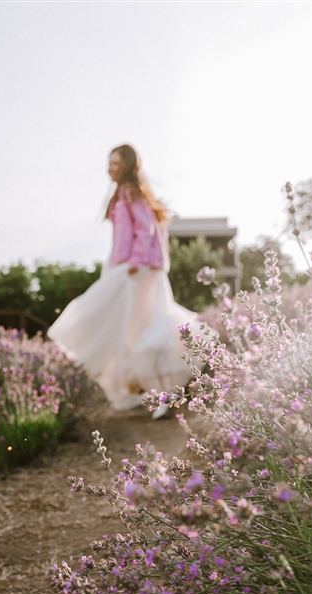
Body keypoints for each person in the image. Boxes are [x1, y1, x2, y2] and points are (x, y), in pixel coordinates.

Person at [47, 144, 196, 419]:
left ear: (127, 166)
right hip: (130, 268)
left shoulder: (130, 192)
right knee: (136, 330)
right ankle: (149, 391)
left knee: (140, 330)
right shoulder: (124, 193)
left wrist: (135, 263)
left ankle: (163, 393)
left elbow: (145, 229)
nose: (109, 168)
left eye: (115, 163)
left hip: (137, 270)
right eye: (109, 162)